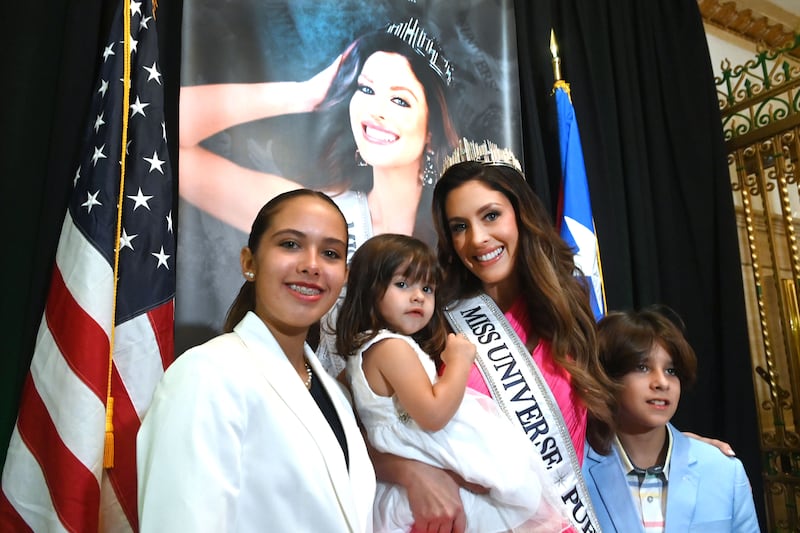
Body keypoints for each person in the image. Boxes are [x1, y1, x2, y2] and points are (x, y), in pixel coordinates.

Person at [137, 190, 376, 532]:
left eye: (330, 253)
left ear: (345, 274)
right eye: (290, 244)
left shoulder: (335, 394)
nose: (312, 264)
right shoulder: (206, 375)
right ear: (249, 262)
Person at [336, 233, 571, 532]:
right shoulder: (391, 347)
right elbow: (433, 415)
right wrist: (460, 362)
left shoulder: (364, 350)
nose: (419, 296)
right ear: (368, 290)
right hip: (427, 473)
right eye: (402, 284)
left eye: (427, 288)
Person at [179, 17, 458, 251]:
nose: (375, 110)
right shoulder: (310, 214)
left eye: (400, 100)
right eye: (366, 89)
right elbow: (167, 137)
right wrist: (306, 94)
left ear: (432, 132)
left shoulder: (461, 234)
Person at [582, 308, 759, 532]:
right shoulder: (573, 473)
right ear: (606, 377)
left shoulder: (723, 470)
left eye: (671, 371)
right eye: (642, 367)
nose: (662, 383)